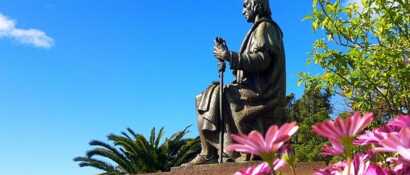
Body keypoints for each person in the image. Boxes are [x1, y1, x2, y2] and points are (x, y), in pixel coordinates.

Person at [189, 0, 286, 164]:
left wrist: (229, 56)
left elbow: (262, 61)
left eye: (245, 5)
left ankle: (220, 152)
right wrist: (226, 59)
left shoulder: (266, 27)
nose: (243, 11)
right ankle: (209, 151)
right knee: (204, 96)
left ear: (257, 4)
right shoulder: (257, 30)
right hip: (251, 88)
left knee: (220, 94)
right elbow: (248, 66)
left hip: (263, 94)